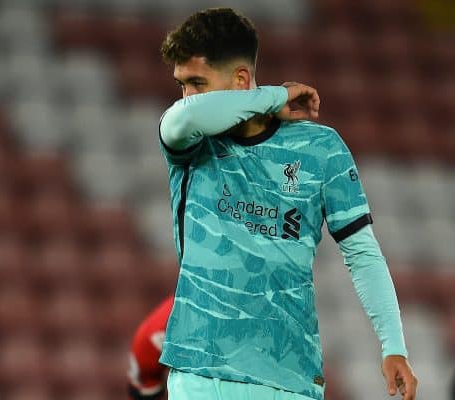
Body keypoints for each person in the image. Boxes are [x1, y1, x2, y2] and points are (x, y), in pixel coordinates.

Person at [156, 7, 417, 400]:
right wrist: (273, 96)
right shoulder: (190, 143)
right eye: (182, 85)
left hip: (288, 377)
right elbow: (184, 118)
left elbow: (362, 253)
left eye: (196, 83)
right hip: (200, 370)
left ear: (240, 79)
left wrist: (393, 343)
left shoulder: (320, 149)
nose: (186, 98)